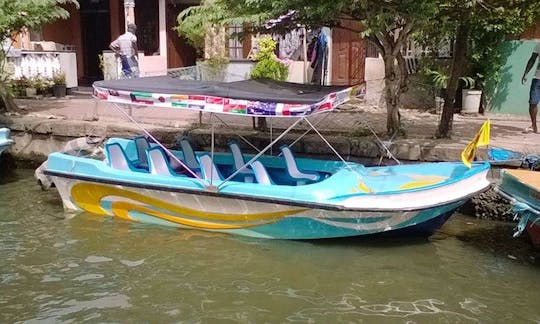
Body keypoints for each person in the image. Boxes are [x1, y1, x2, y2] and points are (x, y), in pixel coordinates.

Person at [521, 41, 540, 133]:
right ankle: (534, 125)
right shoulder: (539, 45)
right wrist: (525, 73)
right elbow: (532, 59)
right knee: (533, 103)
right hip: (537, 78)